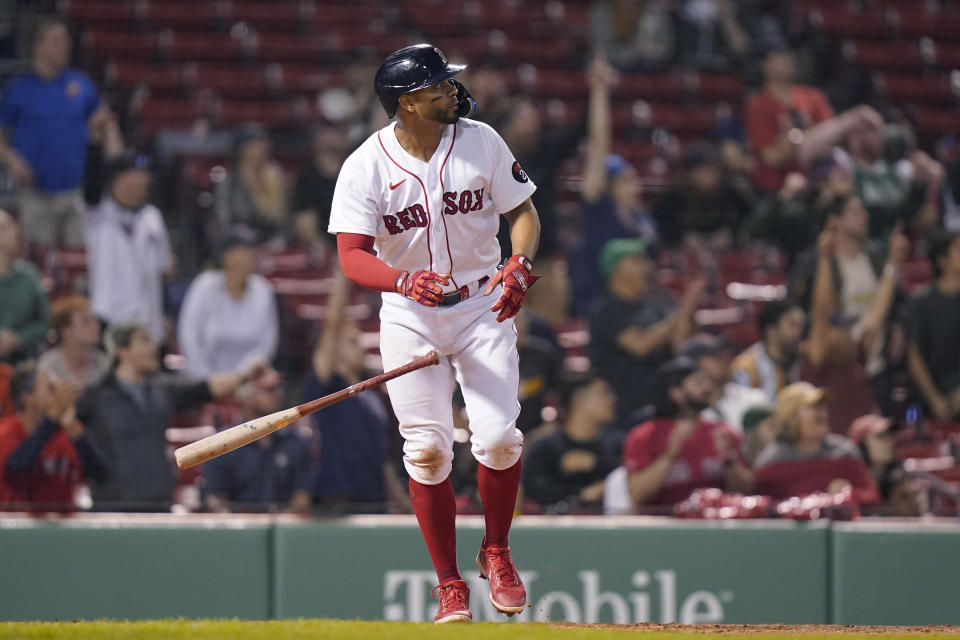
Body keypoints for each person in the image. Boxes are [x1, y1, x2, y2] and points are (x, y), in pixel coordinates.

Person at [328, 44, 541, 623]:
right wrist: (400, 281)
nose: (452, 91)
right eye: (438, 86)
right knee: (426, 451)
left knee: (498, 438)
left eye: (449, 83)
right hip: (410, 315)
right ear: (407, 103)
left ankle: (496, 552)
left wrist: (519, 263)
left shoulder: (482, 139)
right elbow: (351, 256)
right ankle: (449, 583)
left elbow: (522, 213)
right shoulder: (364, 165)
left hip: (482, 305)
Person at [78, 322, 269, 511]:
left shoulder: (162, 388)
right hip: (112, 505)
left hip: (158, 501)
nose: (154, 346)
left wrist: (246, 376)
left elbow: (205, 389)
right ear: (122, 351)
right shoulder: (94, 396)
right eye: (144, 340)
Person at [0, 15, 104, 249]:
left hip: (77, 193)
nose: (66, 45)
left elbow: (101, 125)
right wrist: (13, 161)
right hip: (36, 193)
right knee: (39, 262)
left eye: (66, 40)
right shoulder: (19, 88)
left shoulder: (83, 86)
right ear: (38, 46)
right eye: (57, 40)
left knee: (79, 263)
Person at [572, 55, 657, 316]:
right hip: (600, 306)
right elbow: (599, 145)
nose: (635, 184)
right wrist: (600, 93)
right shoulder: (600, 207)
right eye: (625, 180)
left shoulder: (641, 218)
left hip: (637, 302)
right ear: (609, 186)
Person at [304, 268, 395, 510]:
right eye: (352, 341)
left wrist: (397, 495)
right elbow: (332, 325)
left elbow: (381, 453)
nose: (361, 346)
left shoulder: (374, 393)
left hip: (373, 496)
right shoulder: (327, 386)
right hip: (337, 498)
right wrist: (343, 274)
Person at [81, 111, 171, 343]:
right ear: (118, 180)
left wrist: (167, 312)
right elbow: (92, 180)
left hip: (147, 320)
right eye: (134, 176)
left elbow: (162, 273)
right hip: (108, 317)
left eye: (143, 177)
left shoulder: (153, 217)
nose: (141, 182)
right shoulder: (98, 212)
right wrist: (96, 140)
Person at [590, 238, 703, 423]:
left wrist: (687, 316)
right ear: (617, 269)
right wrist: (681, 311)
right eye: (637, 260)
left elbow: (679, 345)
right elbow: (640, 345)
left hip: (663, 408)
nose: (647, 266)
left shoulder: (655, 306)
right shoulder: (606, 311)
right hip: (625, 411)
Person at [745, 46, 884, 192]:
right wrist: (794, 143)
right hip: (782, 182)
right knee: (858, 117)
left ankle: (873, 170)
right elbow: (771, 158)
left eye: (788, 56)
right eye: (780, 56)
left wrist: (795, 140)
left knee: (859, 127)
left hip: (820, 172)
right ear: (766, 65)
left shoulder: (811, 96)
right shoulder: (758, 105)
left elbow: (832, 135)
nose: (788, 60)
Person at [621, 357, 753, 509]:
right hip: (662, 524)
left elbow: (747, 491)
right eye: (698, 382)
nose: (707, 387)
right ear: (676, 392)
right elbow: (638, 493)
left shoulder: (722, 431)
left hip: (713, 524)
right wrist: (669, 455)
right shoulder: (645, 435)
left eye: (707, 381)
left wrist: (730, 460)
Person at [0, 361, 108, 512]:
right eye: (51, 389)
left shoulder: (66, 431)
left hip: (63, 529)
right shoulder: (5, 432)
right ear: (28, 398)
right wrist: (50, 420)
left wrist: (73, 429)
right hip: (18, 529)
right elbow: (15, 470)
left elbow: (101, 474)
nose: (59, 395)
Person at [754, 382, 879, 507]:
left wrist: (850, 494)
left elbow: (872, 496)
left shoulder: (844, 451)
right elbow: (761, 507)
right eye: (815, 407)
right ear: (792, 417)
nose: (823, 413)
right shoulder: (770, 461)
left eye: (823, 407)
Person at [202, 374, 312, 514]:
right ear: (246, 396)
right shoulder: (223, 444)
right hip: (238, 527)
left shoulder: (295, 442)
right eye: (267, 390)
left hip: (283, 524)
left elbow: (301, 499)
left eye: (277, 389)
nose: (276, 394)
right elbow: (216, 500)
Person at [177, 229, 278, 378]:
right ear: (227, 256)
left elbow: (267, 343)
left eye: (251, 250)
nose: (251, 256)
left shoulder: (263, 289)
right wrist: (207, 380)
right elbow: (188, 336)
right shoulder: (204, 285)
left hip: (248, 382)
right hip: (202, 380)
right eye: (244, 251)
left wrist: (239, 379)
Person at [522, 372, 620, 512]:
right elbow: (533, 488)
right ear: (580, 400)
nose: (612, 399)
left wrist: (596, 464)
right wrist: (580, 494)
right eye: (604, 393)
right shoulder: (546, 447)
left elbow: (628, 479)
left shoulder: (616, 444)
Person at [834, 122, 945, 239]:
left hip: (888, 237)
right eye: (862, 132)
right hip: (854, 236)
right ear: (851, 137)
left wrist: (923, 182)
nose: (869, 137)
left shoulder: (897, 169)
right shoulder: (842, 162)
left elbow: (936, 172)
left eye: (874, 131)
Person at [906, 231, 960, 421]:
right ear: (942, 260)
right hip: (931, 399)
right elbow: (914, 355)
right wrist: (934, 398)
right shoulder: (921, 302)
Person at [215, 127, 288, 244]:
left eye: (263, 145)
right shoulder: (230, 182)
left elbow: (283, 218)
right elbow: (224, 221)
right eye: (255, 145)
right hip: (240, 238)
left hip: (273, 237)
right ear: (243, 150)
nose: (261, 150)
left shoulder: (275, 176)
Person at [682, 334, 768, 433]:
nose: (725, 360)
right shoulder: (695, 419)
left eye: (723, 355)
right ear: (698, 367)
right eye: (716, 357)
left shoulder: (754, 398)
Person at [730, 298, 806, 401]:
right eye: (792, 325)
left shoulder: (801, 362)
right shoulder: (747, 366)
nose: (798, 332)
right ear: (771, 329)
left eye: (801, 326)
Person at [0, 210, 49, 364]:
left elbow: (45, 321)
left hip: (24, 361)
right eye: (4, 227)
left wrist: (19, 338)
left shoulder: (29, 274)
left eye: (13, 225)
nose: (15, 231)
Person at [291, 126, 350, 250]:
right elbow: (305, 225)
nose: (331, 142)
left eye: (336, 135)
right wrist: (332, 253)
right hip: (324, 247)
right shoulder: (307, 177)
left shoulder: (355, 172)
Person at [848, 414, 919, 517]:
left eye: (889, 435)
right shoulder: (851, 482)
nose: (889, 441)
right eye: (881, 437)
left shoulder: (898, 479)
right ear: (862, 445)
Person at [37, 296, 108, 390]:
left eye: (95, 321)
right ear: (65, 330)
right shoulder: (46, 367)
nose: (95, 327)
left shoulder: (105, 364)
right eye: (86, 322)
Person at [589, 0, 675, 73]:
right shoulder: (603, 11)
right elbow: (601, 50)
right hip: (614, 68)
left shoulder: (655, 11)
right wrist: (633, 53)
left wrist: (652, 51)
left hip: (650, 69)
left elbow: (666, 50)